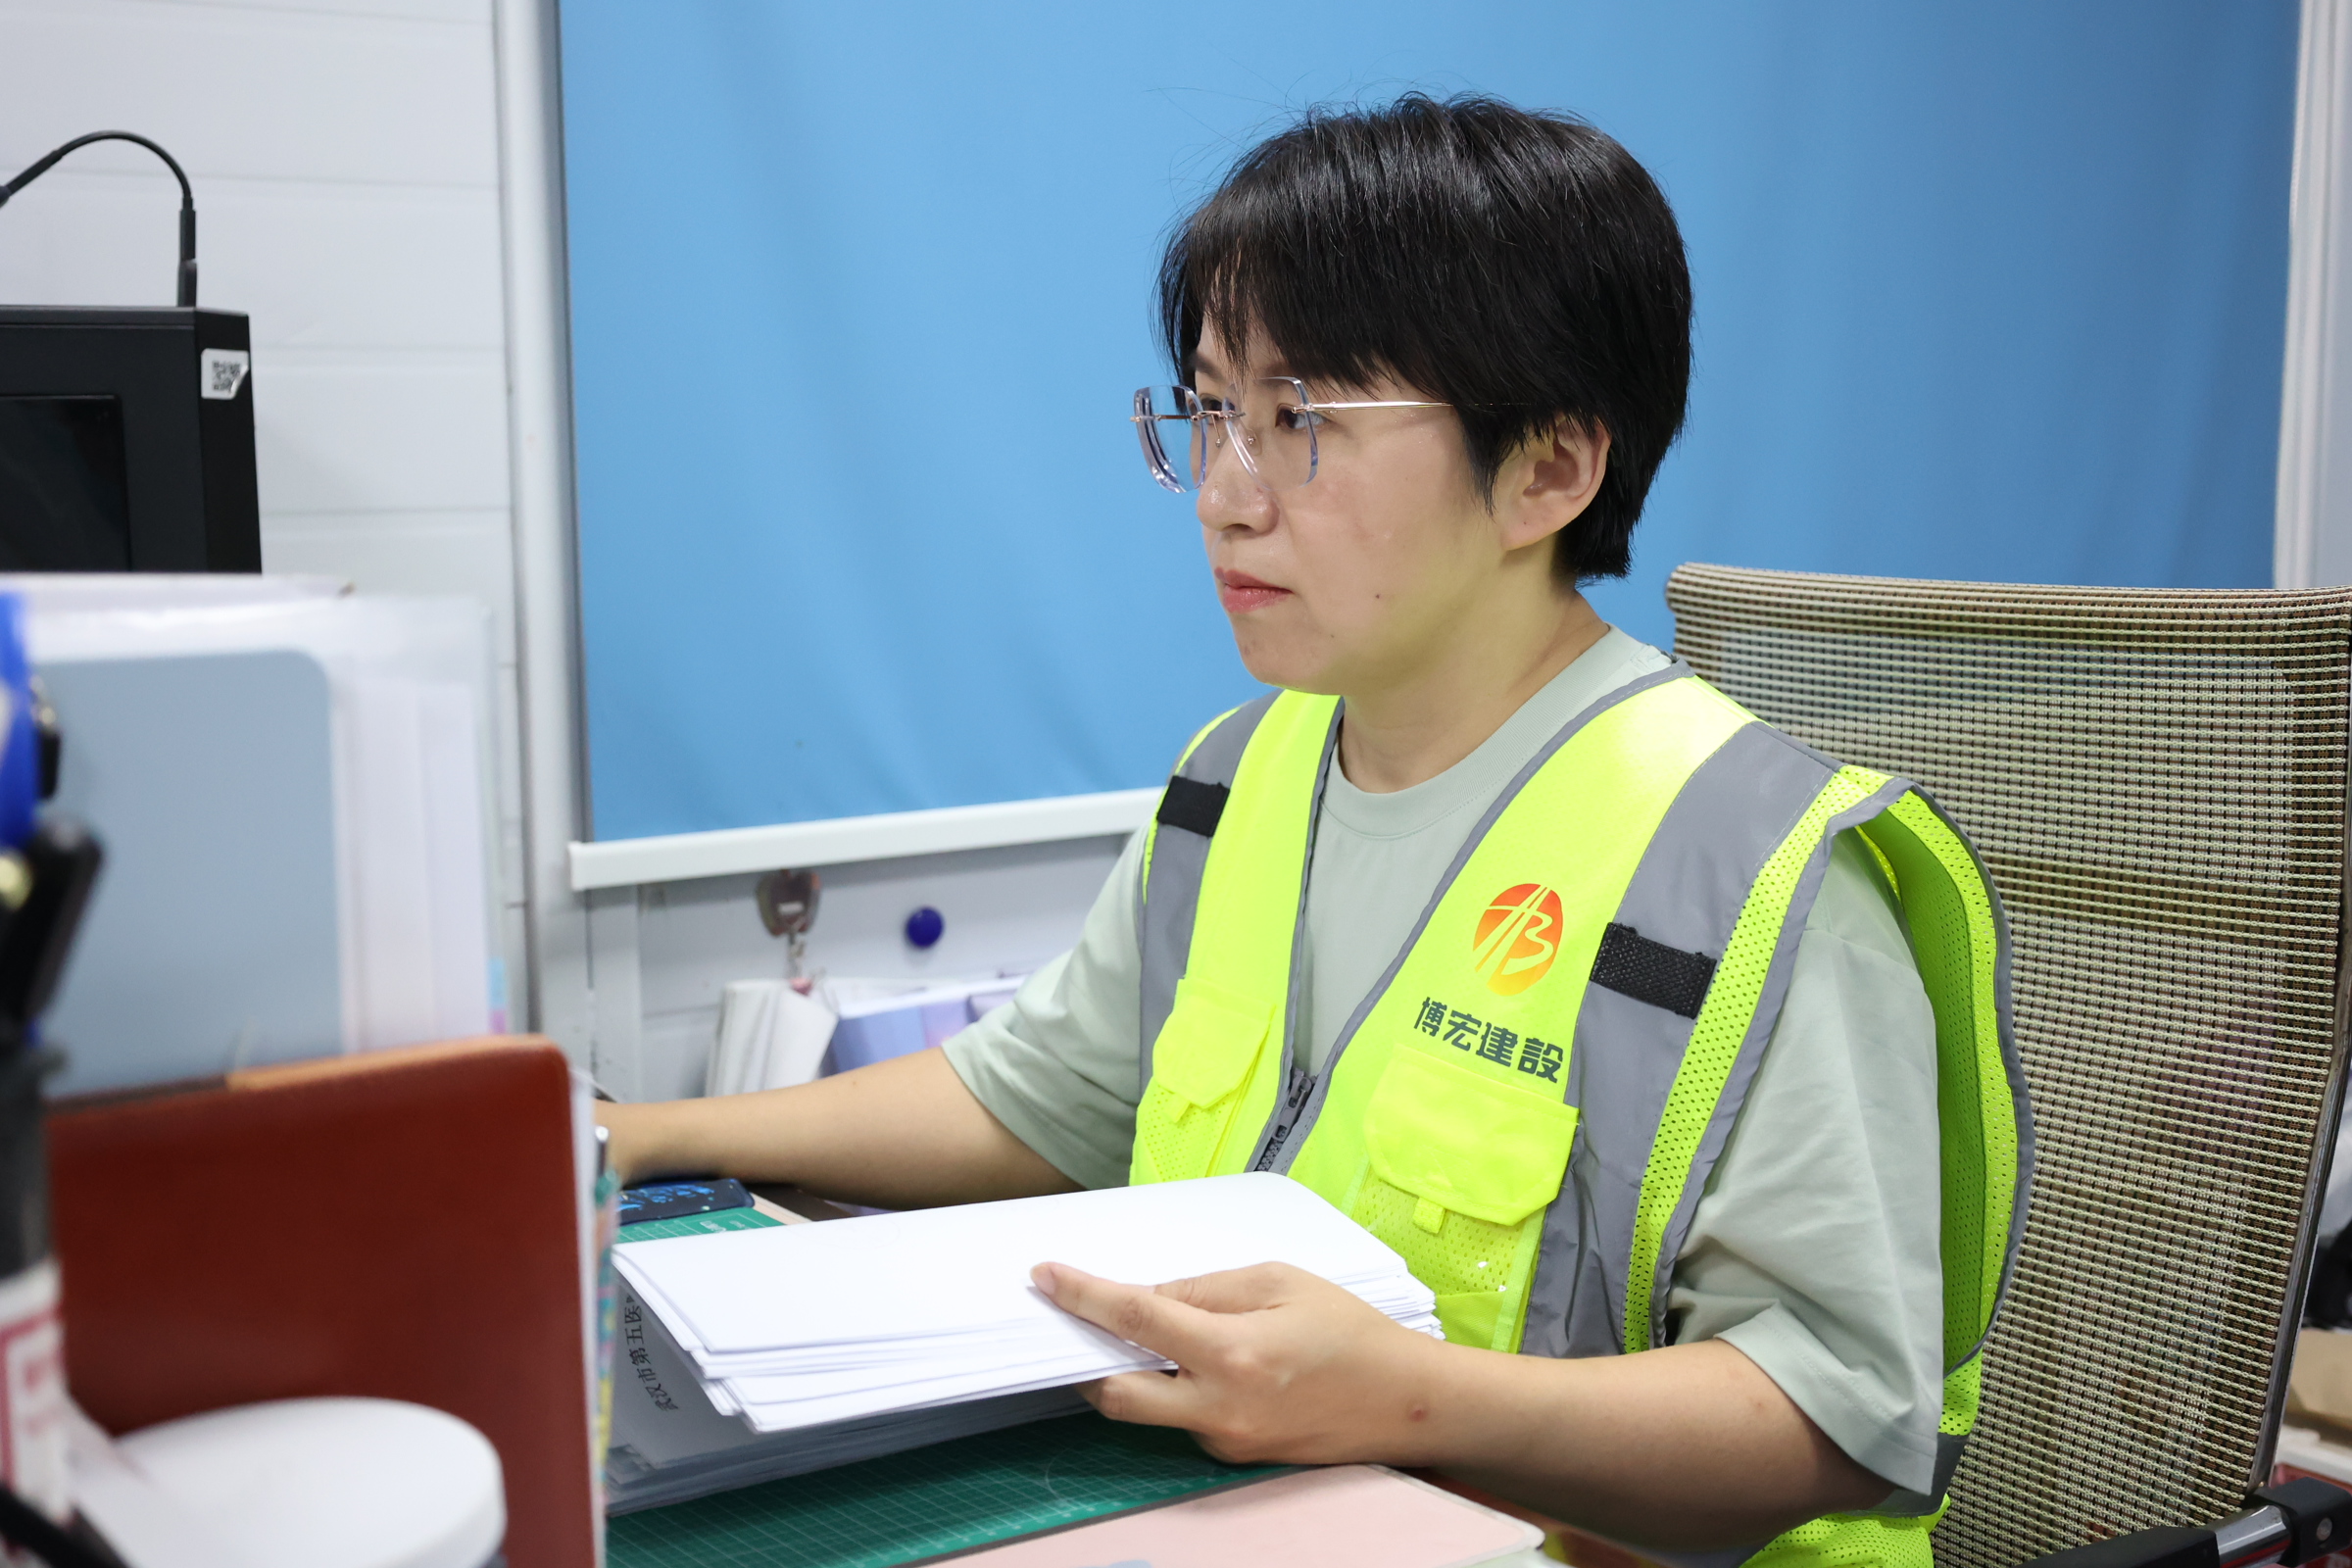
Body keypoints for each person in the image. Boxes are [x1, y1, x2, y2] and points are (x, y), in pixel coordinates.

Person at [599, 93, 2027, 1568]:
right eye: (1212, 412)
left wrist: (1412, 1400)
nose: (1226, 497)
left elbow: (1836, 1416)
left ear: (1547, 470)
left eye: (1305, 425)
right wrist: (645, 1137)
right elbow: (1045, 1097)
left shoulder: (1752, 869)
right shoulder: (1240, 777)